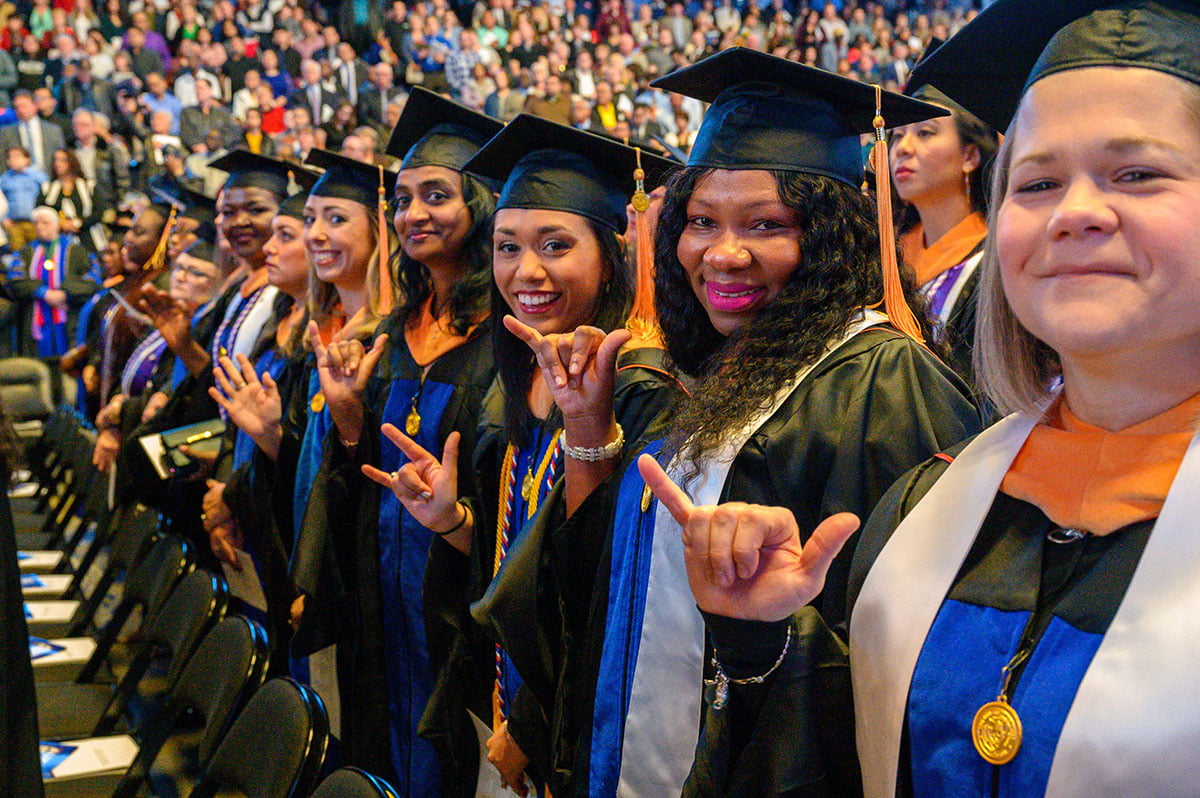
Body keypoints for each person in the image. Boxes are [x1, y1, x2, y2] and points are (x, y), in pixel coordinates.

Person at [665, 2, 1200, 795]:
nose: (1075, 212)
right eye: (1039, 181)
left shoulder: (891, 396)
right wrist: (762, 640)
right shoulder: (934, 500)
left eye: (1137, 173)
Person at [473, 48, 982, 797]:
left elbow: (905, 662)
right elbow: (617, 592)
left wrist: (765, 633)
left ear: (834, 235)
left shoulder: (883, 382)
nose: (723, 253)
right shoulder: (709, 368)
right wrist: (587, 427)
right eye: (701, 221)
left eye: (765, 225)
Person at [379, 114, 679, 795]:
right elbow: (516, 554)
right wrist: (453, 522)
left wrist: (535, 720)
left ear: (612, 256)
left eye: (555, 244)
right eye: (508, 247)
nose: (527, 270)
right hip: (506, 704)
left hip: (578, 722)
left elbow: (610, 594)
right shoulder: (515, 377)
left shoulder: (641, 391)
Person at [297, 89, 503, 793]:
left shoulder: (504, 344)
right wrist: (349, 419)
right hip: (378, 601)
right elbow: (357, 475)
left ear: (479, 203)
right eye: (405, 197)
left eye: (436, 195)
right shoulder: (388, 335)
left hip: (459, 621)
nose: (413, 213)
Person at [893, 84, 999, 384]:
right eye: (897, 136)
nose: (902, 147)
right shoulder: (887, 257)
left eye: (925, 132)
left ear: (969, 156)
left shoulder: (994, 263)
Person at [4, 205, 94, 358]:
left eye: (45, 223)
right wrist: (44, 293)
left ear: (56, 225)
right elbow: (15, 279)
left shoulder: (77, 250)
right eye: (36, 223)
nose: (39, 227)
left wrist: (65, 294)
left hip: (69, 316)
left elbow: (92, 280)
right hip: (35, 317)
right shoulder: (26, 252)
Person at [38, 148, 105, 252]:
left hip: (88, 236)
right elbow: (40, 210)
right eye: (55, 160)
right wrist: (61, 223)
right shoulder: (47, 188)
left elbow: (99, 211)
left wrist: (78, 223)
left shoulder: (89, 186)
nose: (57, 164)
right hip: (57, 239)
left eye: (62, 160)